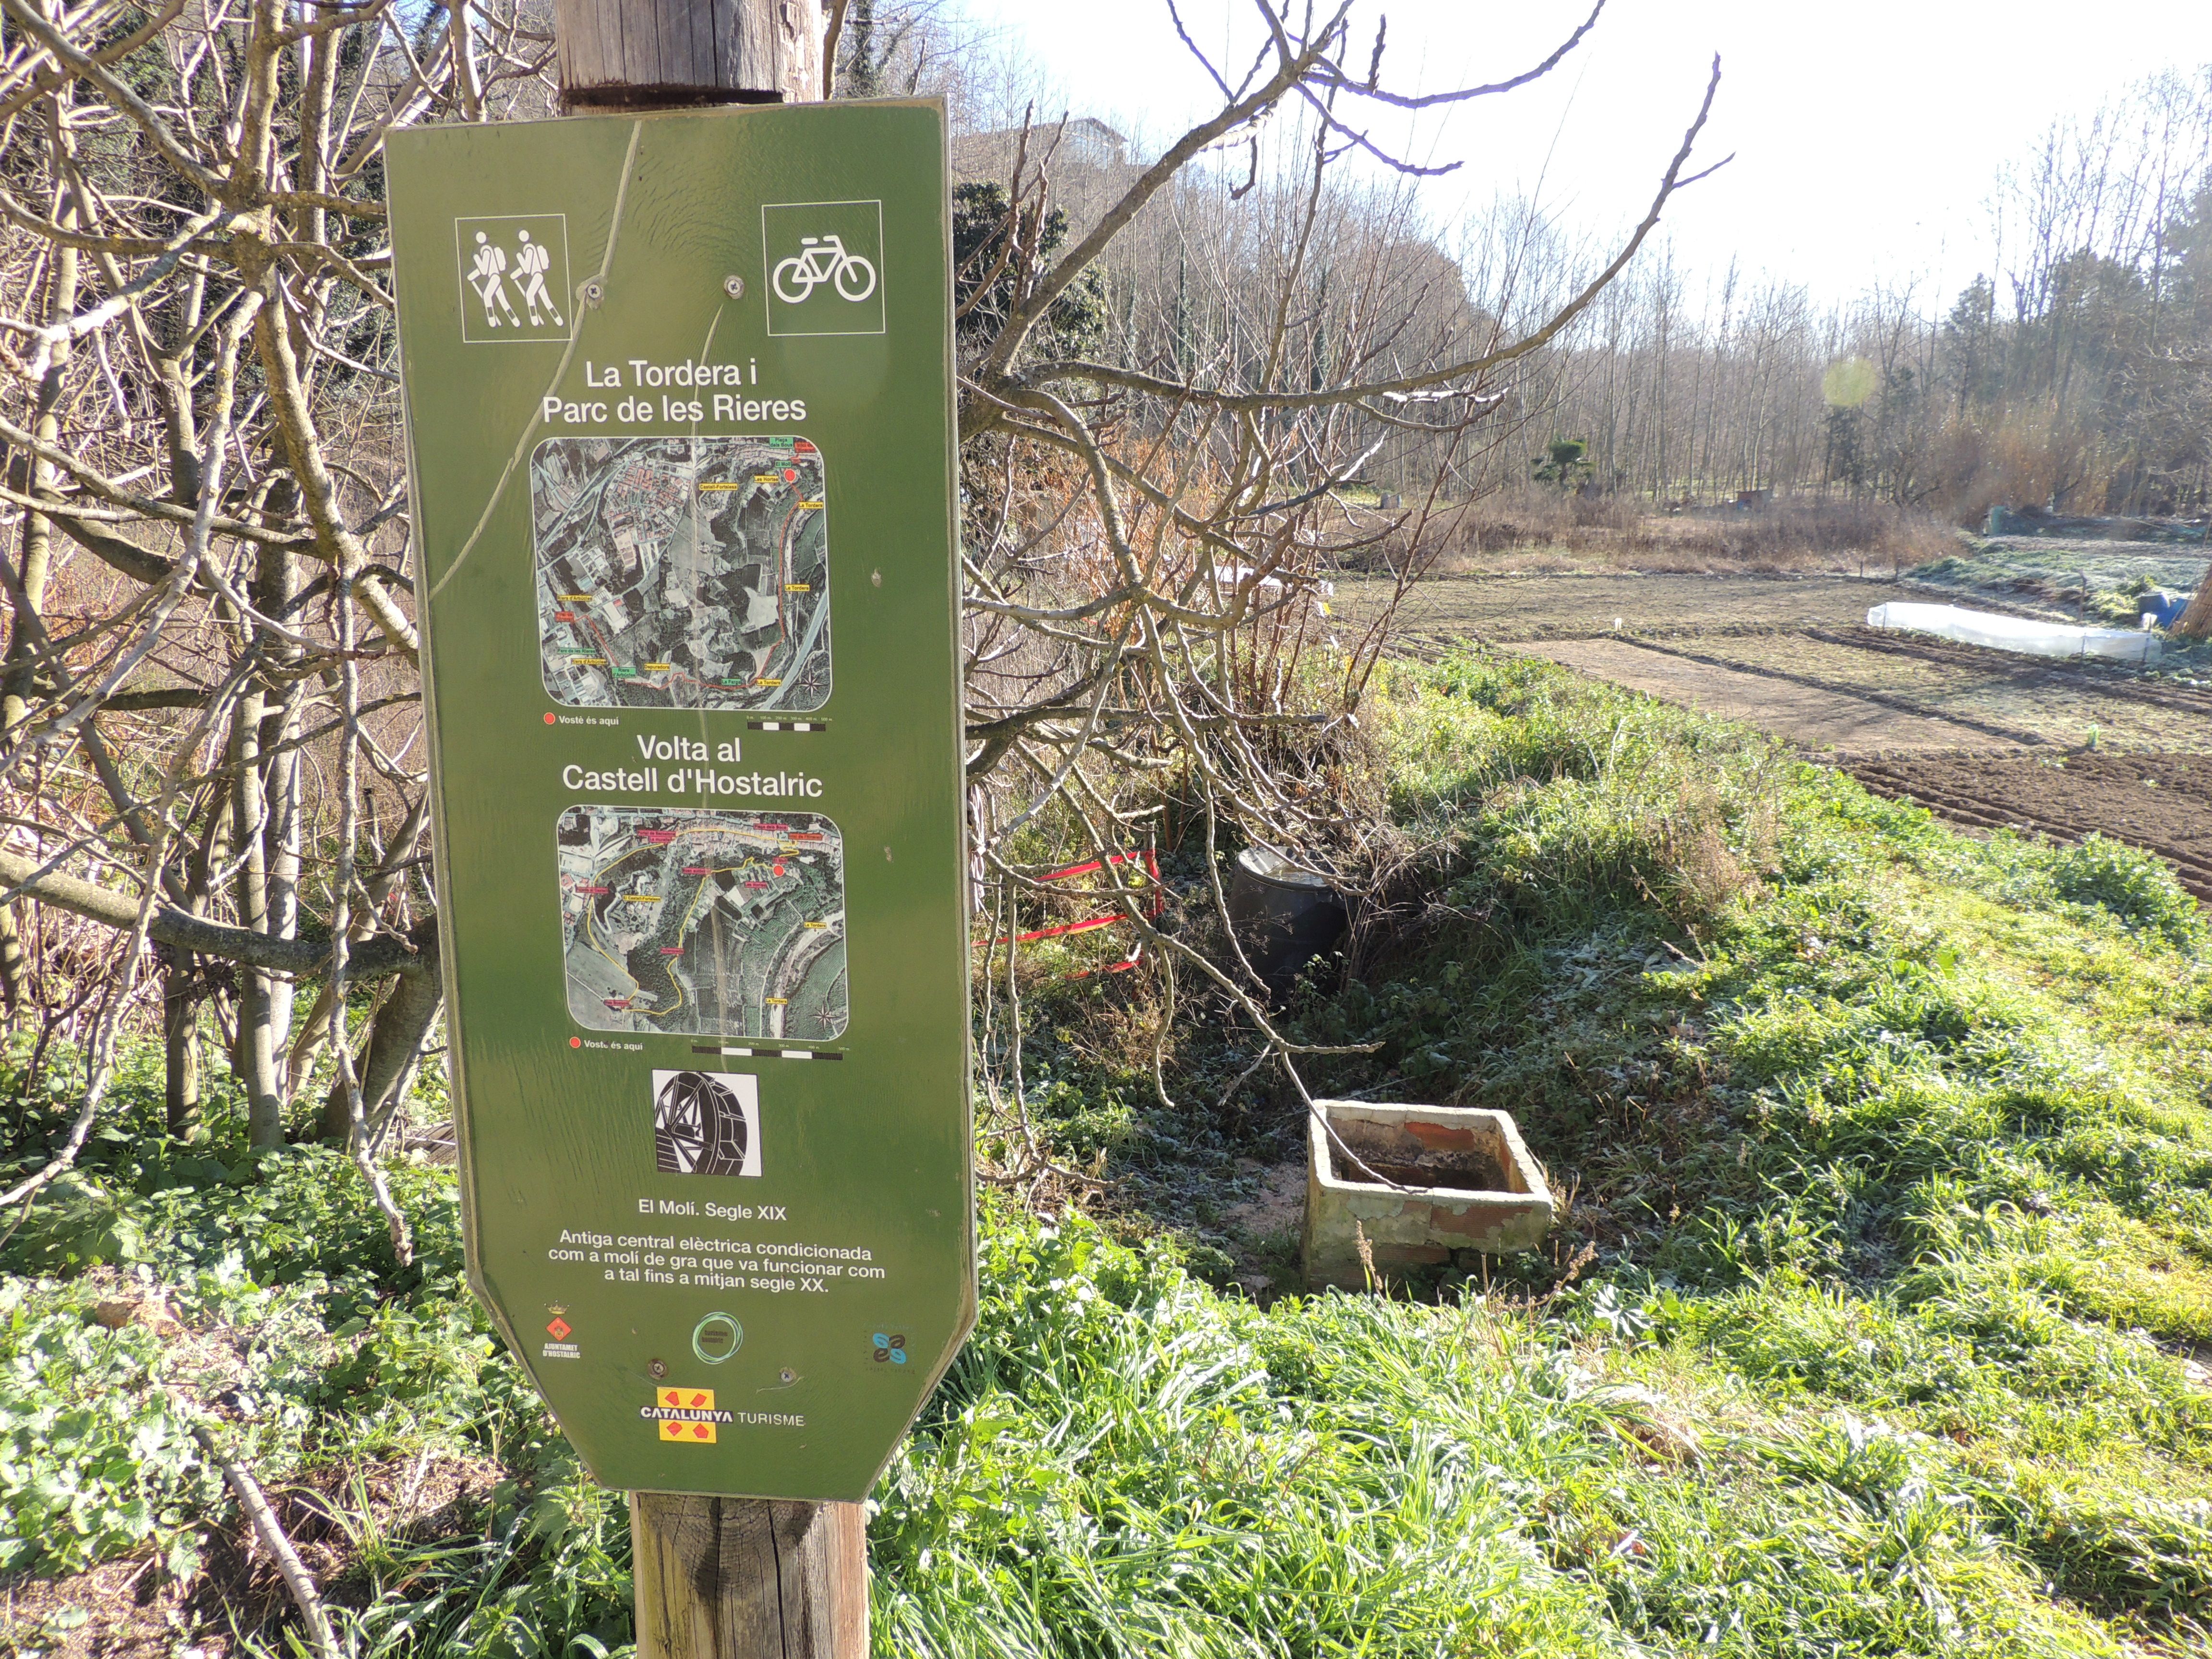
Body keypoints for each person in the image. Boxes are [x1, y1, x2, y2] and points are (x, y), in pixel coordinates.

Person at [467, 230, 520, 328]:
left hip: (494, 277)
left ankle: (491, 319)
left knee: (487, 296)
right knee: (503, 301)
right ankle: (514, 319)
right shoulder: (489, 250)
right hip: (495, 277)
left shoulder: (486, 251)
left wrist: (476, 258)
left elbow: (484, 270)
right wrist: (473, 276)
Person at [514, 228, 564, 328]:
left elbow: (527, 269)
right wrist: (516, 274)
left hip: (537, 276)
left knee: (529, 295)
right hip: (538, 275)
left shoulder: (529, 250)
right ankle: (557, 318)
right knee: (546, 300)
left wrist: (519, 257)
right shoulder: (533, 249)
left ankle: (534, 318)